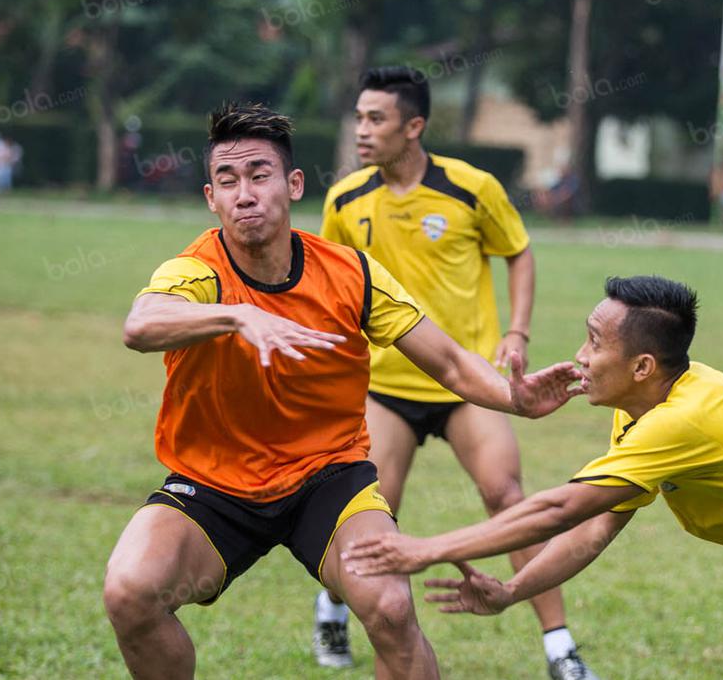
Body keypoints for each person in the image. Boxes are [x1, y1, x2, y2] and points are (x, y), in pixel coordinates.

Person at [103, 102, 582, 680]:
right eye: (227, 182)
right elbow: (140, 325)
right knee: (130, 592)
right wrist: (236, 319)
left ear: (293, 184)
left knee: (390, 607)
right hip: (214, 483)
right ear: (211, 198)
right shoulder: (198, 271)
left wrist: (517, 399)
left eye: (259, 175)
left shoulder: (350, 273)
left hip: (326, 476)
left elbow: (452, 363)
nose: (244, 194)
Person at [344, 275, 723, 680]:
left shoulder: (685, 420)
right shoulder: (636, 412)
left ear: (644, 364)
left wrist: (426, 549)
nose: (580, 356)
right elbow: (591, 532)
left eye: (594, 343)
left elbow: (558, 509)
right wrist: (514, 592)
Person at [317, 66, 597, 680]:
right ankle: (332, 606)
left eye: (376, 119)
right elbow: (333, 292)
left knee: (507, 496)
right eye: (358, 117)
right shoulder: (343, 201)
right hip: (386, 388)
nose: (362, 130)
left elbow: (518, 252)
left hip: (468, 382)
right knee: (370, 513)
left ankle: (560, 649)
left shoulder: (471, 188)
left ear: (414, 126)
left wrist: (516, 330)